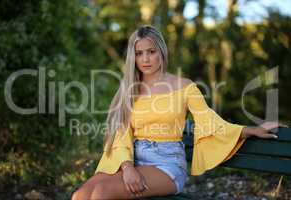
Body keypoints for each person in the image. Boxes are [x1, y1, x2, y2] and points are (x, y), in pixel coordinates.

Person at [72, 25, 283, 200]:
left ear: (162, 52)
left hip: (166, 163)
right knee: (80, 195)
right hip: (132, 160)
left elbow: (209, 121)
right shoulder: (130, 89)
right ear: (133, 57)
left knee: (101, 193)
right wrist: (127, 167)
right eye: (139, 53)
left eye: (151, 51)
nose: (145, 59)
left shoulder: (185, 87)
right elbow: (121, 133)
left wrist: (249, 130)